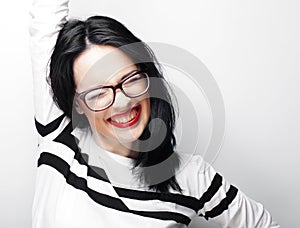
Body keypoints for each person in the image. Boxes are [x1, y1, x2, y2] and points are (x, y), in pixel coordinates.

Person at [29, 0, 279, 227]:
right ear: (78, 104)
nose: (122, 102)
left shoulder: (190, 176)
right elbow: (45, 14)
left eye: (130, 78)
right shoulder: (58, 134)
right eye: (98, 93)